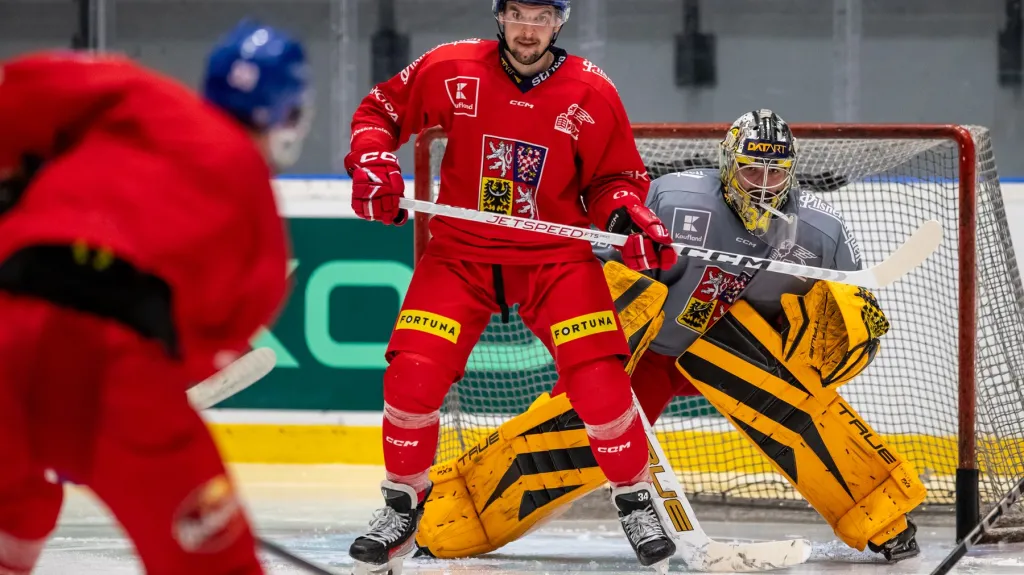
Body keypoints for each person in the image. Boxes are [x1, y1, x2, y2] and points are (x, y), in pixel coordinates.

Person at [414, 109, 926, 565]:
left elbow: (858, 316)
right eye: (752, 168)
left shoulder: (822, 234)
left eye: (775, 171)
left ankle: (885, 523)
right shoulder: (675, 196)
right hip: (653, 347)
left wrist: (847, 334)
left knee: (807, 421)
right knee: (581, 433)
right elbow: (605, 265)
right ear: (728, 165)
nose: (764, 183)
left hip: (739, 350)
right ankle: (447, 519)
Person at [343, 0, 680, 573]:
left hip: (555, 259)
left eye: (542, 17)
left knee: (599, 383)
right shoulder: (451, 69)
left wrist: (626, 216)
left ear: (560, 21)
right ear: (499, 16)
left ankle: (635, 497)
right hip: (460, 256)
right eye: (518, 14)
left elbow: (615, 180)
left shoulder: (591, 92)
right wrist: (373, 159)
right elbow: (379, 110)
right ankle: (403, 505)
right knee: (412, 374)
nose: (529, 30)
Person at [0, 19, 311, 575]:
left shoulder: (134, 91)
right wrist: (81, 417)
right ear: (289, 117)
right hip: (118, 377)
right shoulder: (258, 217)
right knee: (219, 564)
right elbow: (204, 344)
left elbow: (14, 94)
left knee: (16, 515)